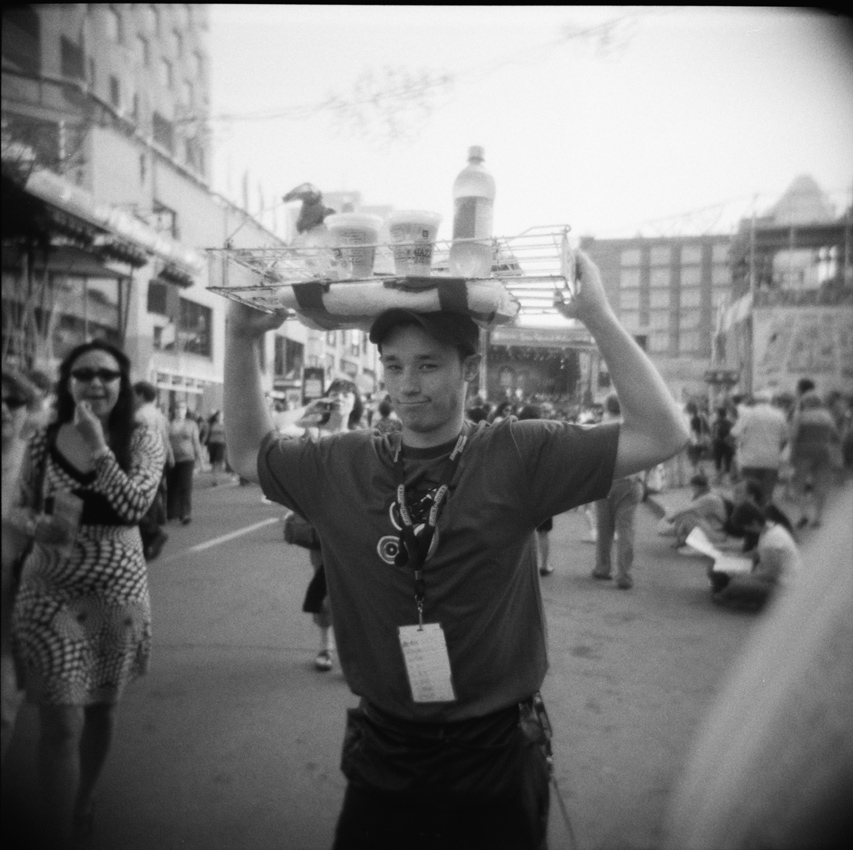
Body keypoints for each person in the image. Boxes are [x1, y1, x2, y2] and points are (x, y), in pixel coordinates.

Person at [223, 249, 689, 849]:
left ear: (469, 367)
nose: (407, 386)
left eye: (428, 365)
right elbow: (247, 453)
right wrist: (239, 339)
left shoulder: (517, 453)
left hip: (495, 749)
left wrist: (597, 315)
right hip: (385, 749)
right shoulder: (341, 462)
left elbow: (662, 433)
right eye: (394, 366)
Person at [8, 340, 164, 848]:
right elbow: (17, 505)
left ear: (122, 382)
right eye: (83, 374)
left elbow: (133, 506)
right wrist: (35, 523)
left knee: (100, 709)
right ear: (68, 382)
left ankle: (83, 800)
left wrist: (98, 446)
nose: (95, 382)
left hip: (116, 590)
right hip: (48, 589)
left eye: (106, 374)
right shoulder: (43, 438)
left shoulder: (142, 437)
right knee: (60, 720)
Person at [663, 485, 852, 850]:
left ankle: (740, 599)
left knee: (728, 586)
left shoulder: (773, 541)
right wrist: (731, 558)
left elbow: (765, 573)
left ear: (751, 523)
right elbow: (753, 555)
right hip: (779, 580)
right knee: (724, 577)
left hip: (781, 588)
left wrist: (736, 572)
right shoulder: (771, 531)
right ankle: (735, 593)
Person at [280, 379, 365, 672]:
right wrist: (308, 408)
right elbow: (277, 428)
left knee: (354, 591)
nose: (340, 397)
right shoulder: (314, 432)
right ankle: (326, 646)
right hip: (321, 526)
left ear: (355, 402)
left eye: (347, 393)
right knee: (325, 586)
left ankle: (353, 651)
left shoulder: (364, 436)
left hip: (356, 526)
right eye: (335, 393)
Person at [1, 369, 40, 759]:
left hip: (15, 604)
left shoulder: (40, 461)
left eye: (12, 401)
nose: (2, 409)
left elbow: (64, 527)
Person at [590, 393, 644, 589]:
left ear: (606, 407)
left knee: (604, 529)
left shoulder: (598, 428)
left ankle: (603, 568)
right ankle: (624, 575)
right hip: (630, 480)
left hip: (604, 481)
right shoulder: (633, 428)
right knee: (626, 530)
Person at [708, 503, 802, 611]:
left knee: (736, 583)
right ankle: (732, 594)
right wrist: (734, 557)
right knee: (718, 569)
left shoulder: (772, 541)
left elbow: (770, 574)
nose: (747, 530)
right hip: (773, 575)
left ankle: (749, 601)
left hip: (781, 585)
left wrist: (743, 575)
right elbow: (757, 552)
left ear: (754, 523)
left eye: (746, 527)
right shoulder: (771, 527)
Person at [133, 381, 173, 561]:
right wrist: (169, 456)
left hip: (143, 460)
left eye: (134, 394)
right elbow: (165, 437)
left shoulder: (140, 415)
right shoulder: (159, 415)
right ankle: (151, 533)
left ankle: (151, 533)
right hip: (159, 458)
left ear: (141, 395)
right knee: (152, 497)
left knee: (139, 500)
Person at [788, 391, 840, 529]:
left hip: (803, 452)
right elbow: (835, 436)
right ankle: (818, 517)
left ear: (805, 403)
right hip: (823, 452)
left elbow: (794, 436)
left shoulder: (800, 416)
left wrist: (791, 454)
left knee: (798, 484)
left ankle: (803, 515)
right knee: (820, 485)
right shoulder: (827, 416)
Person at [730, 389, 788, 507]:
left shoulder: (747, 414)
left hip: (749, 460)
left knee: (748, 494)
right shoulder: (780, 415)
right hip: (771, 460)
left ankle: (748, 514)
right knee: (767, 495)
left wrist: (738, 447)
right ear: (770, 401)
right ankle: (765, 513)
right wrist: (777, 451)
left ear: (755, 401)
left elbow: (733, 435)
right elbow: (785, 438)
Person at [517, 404, 554, 576]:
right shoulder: (547, 435)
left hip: (519, 488)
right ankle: (544, 565)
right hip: (542, 489)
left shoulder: (515, 434)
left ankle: (519, 567)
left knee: (519, 532)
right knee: (543, 532)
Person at [658, 472, 731, 550]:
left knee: (685, 515)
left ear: (697, 487)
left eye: (693, 487)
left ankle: (681, 540)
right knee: (686, 516)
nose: (692, 490)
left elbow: (686, 510)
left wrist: (669, 519)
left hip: (717, 534)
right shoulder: (708, 495)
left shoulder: (708, 498)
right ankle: (683, 538)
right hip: (716, 529)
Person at [166, 400, 204, 525]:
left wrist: (201, 459)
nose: (179, 411)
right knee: (171, 486)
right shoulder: (168, 424)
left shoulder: (191, 424)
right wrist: (168, 456)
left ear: (186, 410)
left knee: (185, 485)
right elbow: (165, 441)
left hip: (187, 459)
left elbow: (196, 442)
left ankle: (185, 513)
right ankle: (171, 512)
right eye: (177, 408)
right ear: (174, 411)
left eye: (182, 408)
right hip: (171, 459)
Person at [709, 406, 735, 485]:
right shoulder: (729, 423)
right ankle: (727, 479)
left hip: (718, 444)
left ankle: (718, 479)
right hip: (728, 444)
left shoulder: (715, 423)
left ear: (718, 414)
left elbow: (713, 434)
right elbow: (733, 434)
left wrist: (712, 443)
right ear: (725, 414)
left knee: (718, 462)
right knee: (727, 461)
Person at [205, 410, 227, 485]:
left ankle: (216, 478)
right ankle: (214, 476)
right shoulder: (212, 424)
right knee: (213, 461)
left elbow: (228, 435)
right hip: (212, 444)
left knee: (219, 460)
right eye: (219, 415)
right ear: (216, 416)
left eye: (221, 415)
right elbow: (207, 433)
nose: (220, 417)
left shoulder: (225, 424)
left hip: (221, 444)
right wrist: (204, 441)